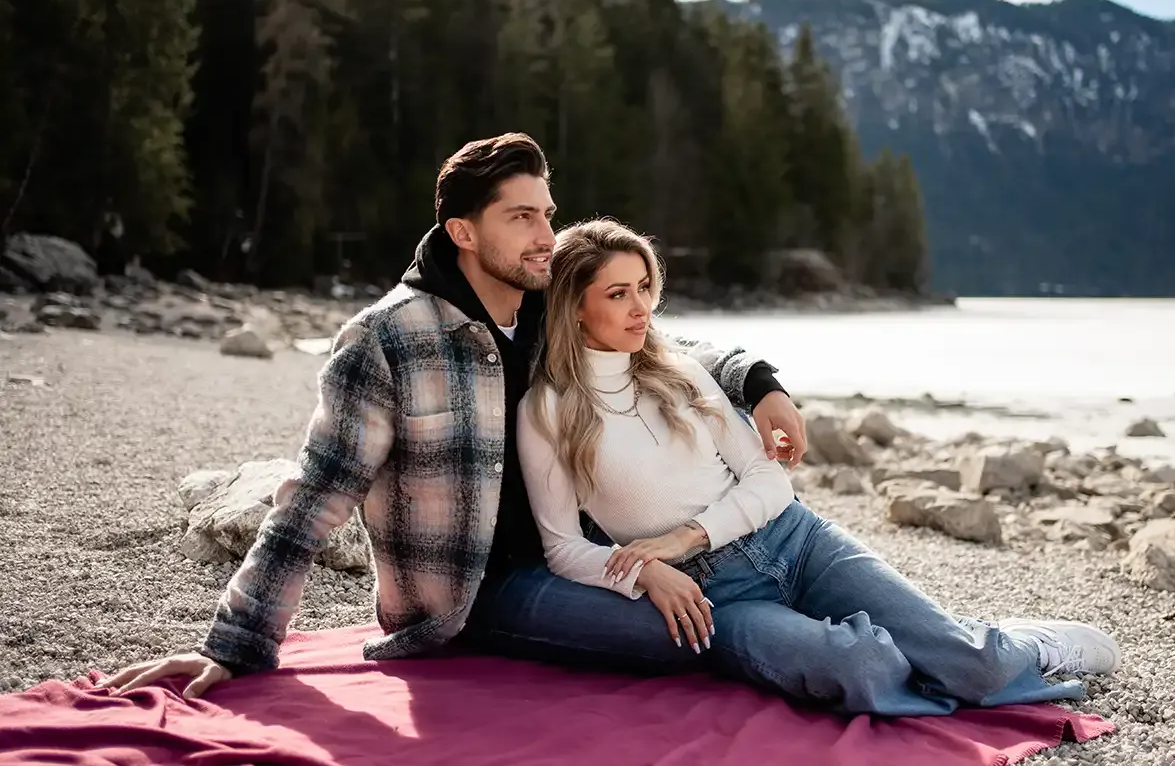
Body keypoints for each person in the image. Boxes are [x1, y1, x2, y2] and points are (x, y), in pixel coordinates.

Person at [96, 132, 808, 698]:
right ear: (463, 232)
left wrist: (759, 383)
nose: (546, 236)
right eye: (521, 217)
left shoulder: (544, 304)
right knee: (674, 635)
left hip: (583, 555)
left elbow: (659, 343)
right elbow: (315, 494)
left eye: (547, 214)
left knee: (700, 608)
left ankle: (802, 634)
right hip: (475, 591)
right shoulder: (387, 339)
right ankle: (802, 645)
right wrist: (237, 642)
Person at [515, 218, 1122, 716]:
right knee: (862, 670)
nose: (641, 308)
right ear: (574, 307)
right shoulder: (546, 411)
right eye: (617, 294)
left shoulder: (681, 371)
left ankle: (1016, 646)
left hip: (796, 540)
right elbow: (563, 547)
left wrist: (686, 535)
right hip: (717, 600)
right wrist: (645, 574)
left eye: (644, 287)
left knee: (977, 669)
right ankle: (941, 644)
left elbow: (769, 481)